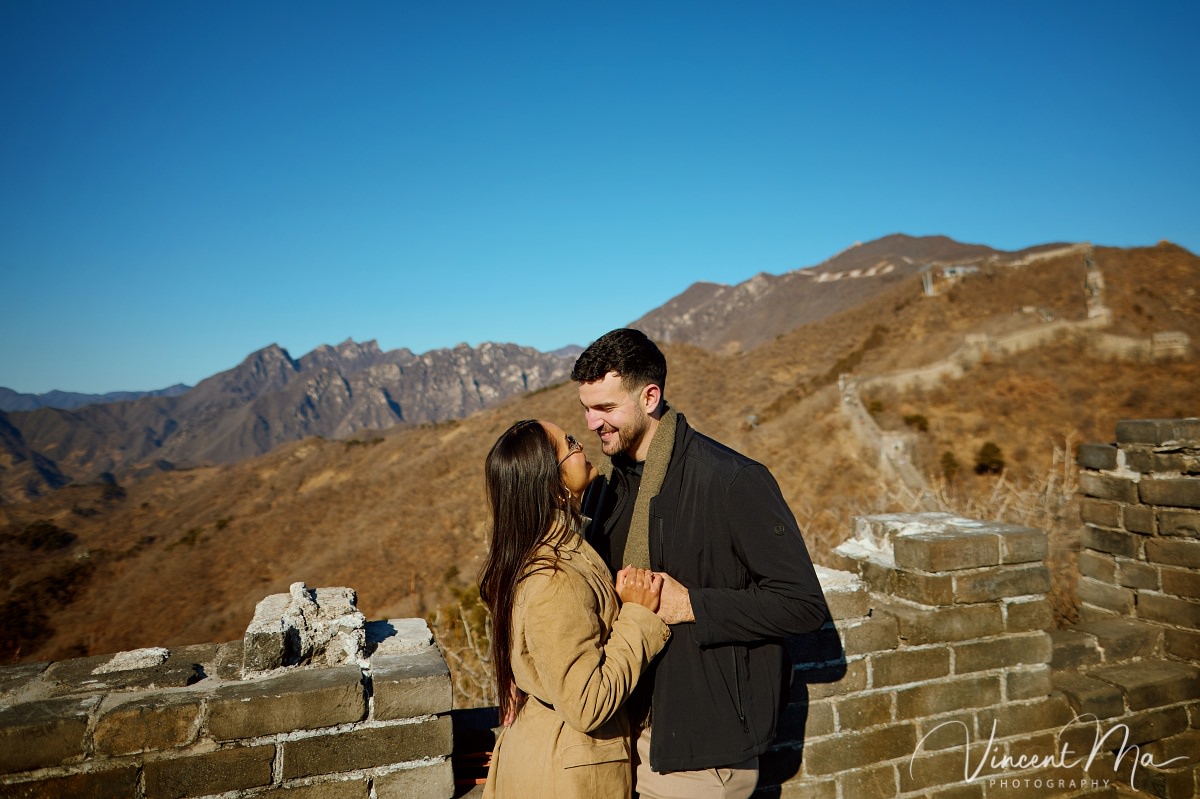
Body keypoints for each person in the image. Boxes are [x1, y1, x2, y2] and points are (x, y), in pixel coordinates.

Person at [571, 328, 830, 799]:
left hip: (701, 757)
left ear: (650, 397)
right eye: (586, 409)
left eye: (605, 408)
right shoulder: (609, 488)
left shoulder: (733, 481)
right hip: (625, 734)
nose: (592, 423)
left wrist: (692, 605)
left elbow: (802, 604)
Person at [480, 419, 672, 799]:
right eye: (568, 443)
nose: (580, 444)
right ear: (551, 481)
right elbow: (587, 703)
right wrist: (639, 616)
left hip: (550, 755)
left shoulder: (541, 553)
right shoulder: (554, 578)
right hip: (568, 774)